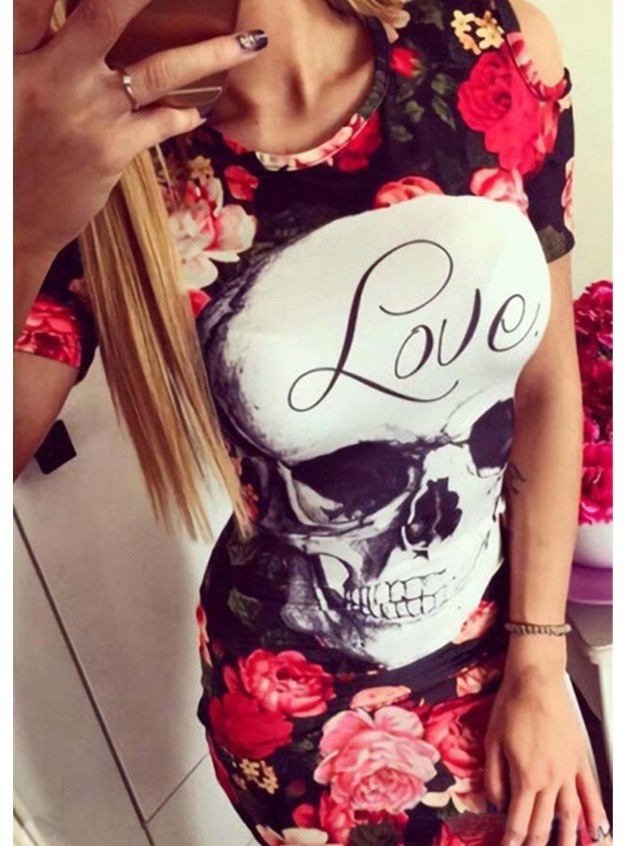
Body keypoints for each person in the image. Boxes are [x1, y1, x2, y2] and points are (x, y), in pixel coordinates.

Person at [13, 1, 612, 844]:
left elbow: (543, 386)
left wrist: (539, 660)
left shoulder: (489, 49)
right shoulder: (87, 163)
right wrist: (23, 225)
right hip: (302, 712)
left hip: (512, 622)